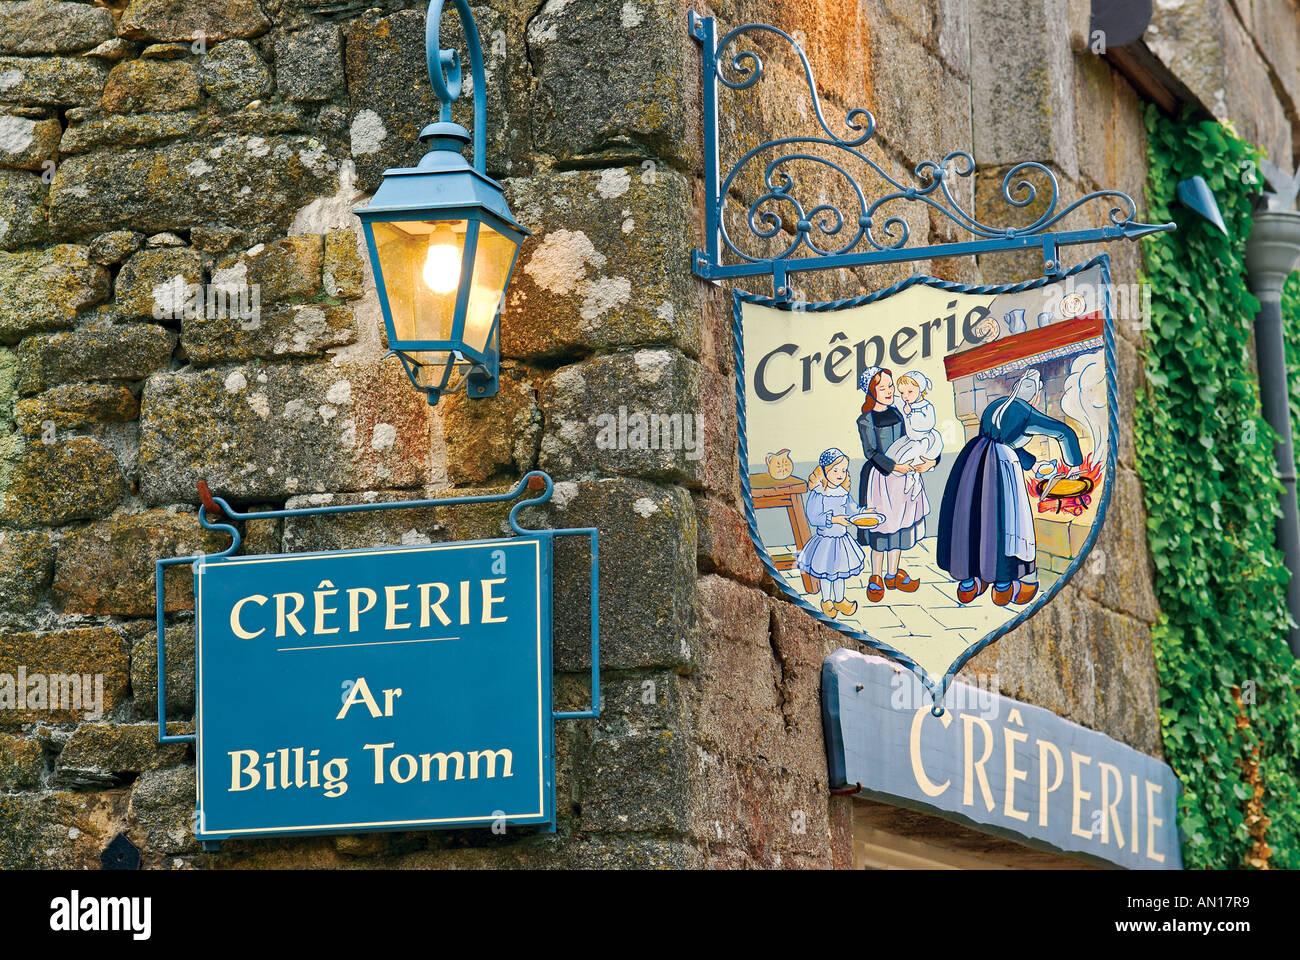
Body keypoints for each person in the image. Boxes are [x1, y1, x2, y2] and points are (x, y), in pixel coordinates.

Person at [936, 367, 1083, 607]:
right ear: (1035, 396)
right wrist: (1074, 465)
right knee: (1005, 522)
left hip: (973, 462)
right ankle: (1003, 587)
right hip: (1000, 470)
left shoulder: (997, 406)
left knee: (972, 519)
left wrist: (1035, 465)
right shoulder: (1026, 412)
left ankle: (969, 583)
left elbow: (1004, 440)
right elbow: (1064, 432)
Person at [856, 367, 937, 603]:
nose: (890, 391)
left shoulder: (901, 412)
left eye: (891, 386)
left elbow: (921, 436)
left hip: (905, 479)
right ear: (872, 392)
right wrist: (893, 467)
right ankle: (876, 576)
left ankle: (893, 574)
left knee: (901, 525)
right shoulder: (866, 420)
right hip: (881, 479)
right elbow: (871, 451)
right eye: (883, 388)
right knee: (882, 526)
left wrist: (930, 460)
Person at [796, 448, 866, 619]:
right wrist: (835, 519)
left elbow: (852, 509)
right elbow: (813, 516)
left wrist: (863, 512)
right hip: (826, 540)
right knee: (827, 573)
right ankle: (827, 600)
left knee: (840, 572)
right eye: (835, 470)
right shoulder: (819, 493)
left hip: (842, 539)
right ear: (824, 471)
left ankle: (840, 599)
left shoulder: (843, 493)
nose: (840, 474)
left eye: (843, 470)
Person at [884, 370, 944, 499]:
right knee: (898, 457)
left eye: (910, 392)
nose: (905, 396)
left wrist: (909, 414)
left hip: (925, 440)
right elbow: (893, 401)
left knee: (913, 457)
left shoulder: (926, 406)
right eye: (902, 392)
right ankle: (911, 477)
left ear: (920, 389)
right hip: (910, 439)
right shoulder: (905, 403)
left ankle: (915, 480)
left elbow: (926, 425)